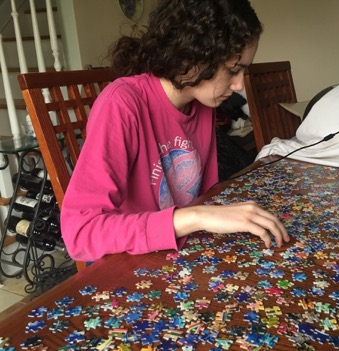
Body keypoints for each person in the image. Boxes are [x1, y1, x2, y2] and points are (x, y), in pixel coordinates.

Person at [60, 0, 290, 262]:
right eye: (233, 70)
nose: (238, 85)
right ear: (190, 56)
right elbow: (79, 234)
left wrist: (207, 214)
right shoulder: (120, 104)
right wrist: (197, 216)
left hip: (180, 254)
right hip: (127, 262)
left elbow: (205, 196)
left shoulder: (200, 101)